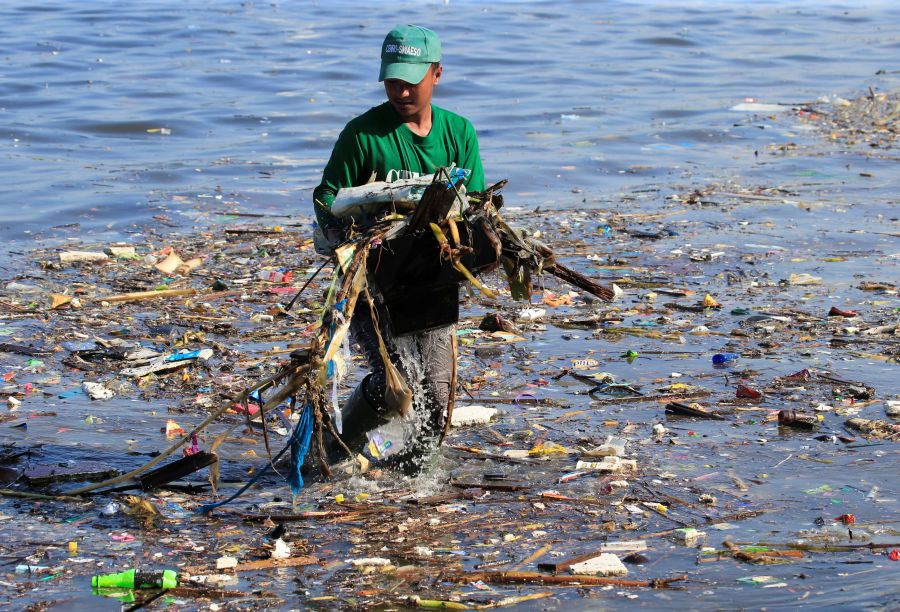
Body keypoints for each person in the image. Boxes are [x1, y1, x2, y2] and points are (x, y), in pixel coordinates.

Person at [312, 25, 485, 471]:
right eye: (392, 79)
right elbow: (326, 198)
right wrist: (345, 234)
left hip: (432, 281)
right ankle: (330, 451)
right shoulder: (364, 135)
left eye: (411, 79)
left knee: (439, 399)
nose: (401, 89)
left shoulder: (458, 133)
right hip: (375, 282)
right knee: (398, 387)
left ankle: (411, 476)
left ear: (437, 74)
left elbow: (478, 208)